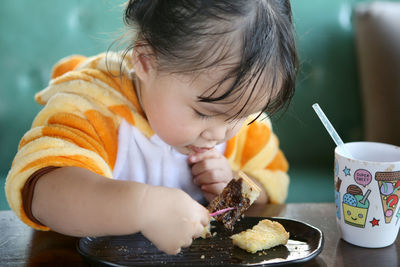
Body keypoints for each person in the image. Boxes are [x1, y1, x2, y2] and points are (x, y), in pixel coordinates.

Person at [5, 0, 298, 255]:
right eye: (203, 113)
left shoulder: (238, 115)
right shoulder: (92, 107)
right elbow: (41, 193)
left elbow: (270, 190)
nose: (221, 134)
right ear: (146, 61)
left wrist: (231, 188)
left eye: (243, 114)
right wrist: (142, 207)